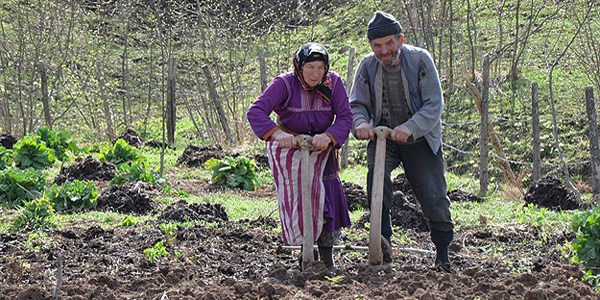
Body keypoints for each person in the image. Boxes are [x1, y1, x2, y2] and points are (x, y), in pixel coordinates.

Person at [349, 11, 454, 272]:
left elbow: (433, 104)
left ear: (400, 39)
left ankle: (442, 253)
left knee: (432, 195)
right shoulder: (366, 66)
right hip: (383, 137)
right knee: (376, 181)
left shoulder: (420, 60)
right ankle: (381, 240)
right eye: (377, 46)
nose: (384, 51)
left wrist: (411, 127)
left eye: (389, 44)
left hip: (419, 137)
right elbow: (357, 104)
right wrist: (361, 124)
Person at [247, 42, 353, 272]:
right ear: (299, 67)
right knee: (301, 201)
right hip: (292, 148)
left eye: (320, 68)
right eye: (310, 67)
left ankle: (327, 258)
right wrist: (277, 133)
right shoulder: (284, 84)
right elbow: (256, 111)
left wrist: (329, 135)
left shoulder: (333, 83)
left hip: (322, 151)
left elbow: (345, 116)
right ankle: (307, 252)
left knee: (326, 202)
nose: (316, 73)